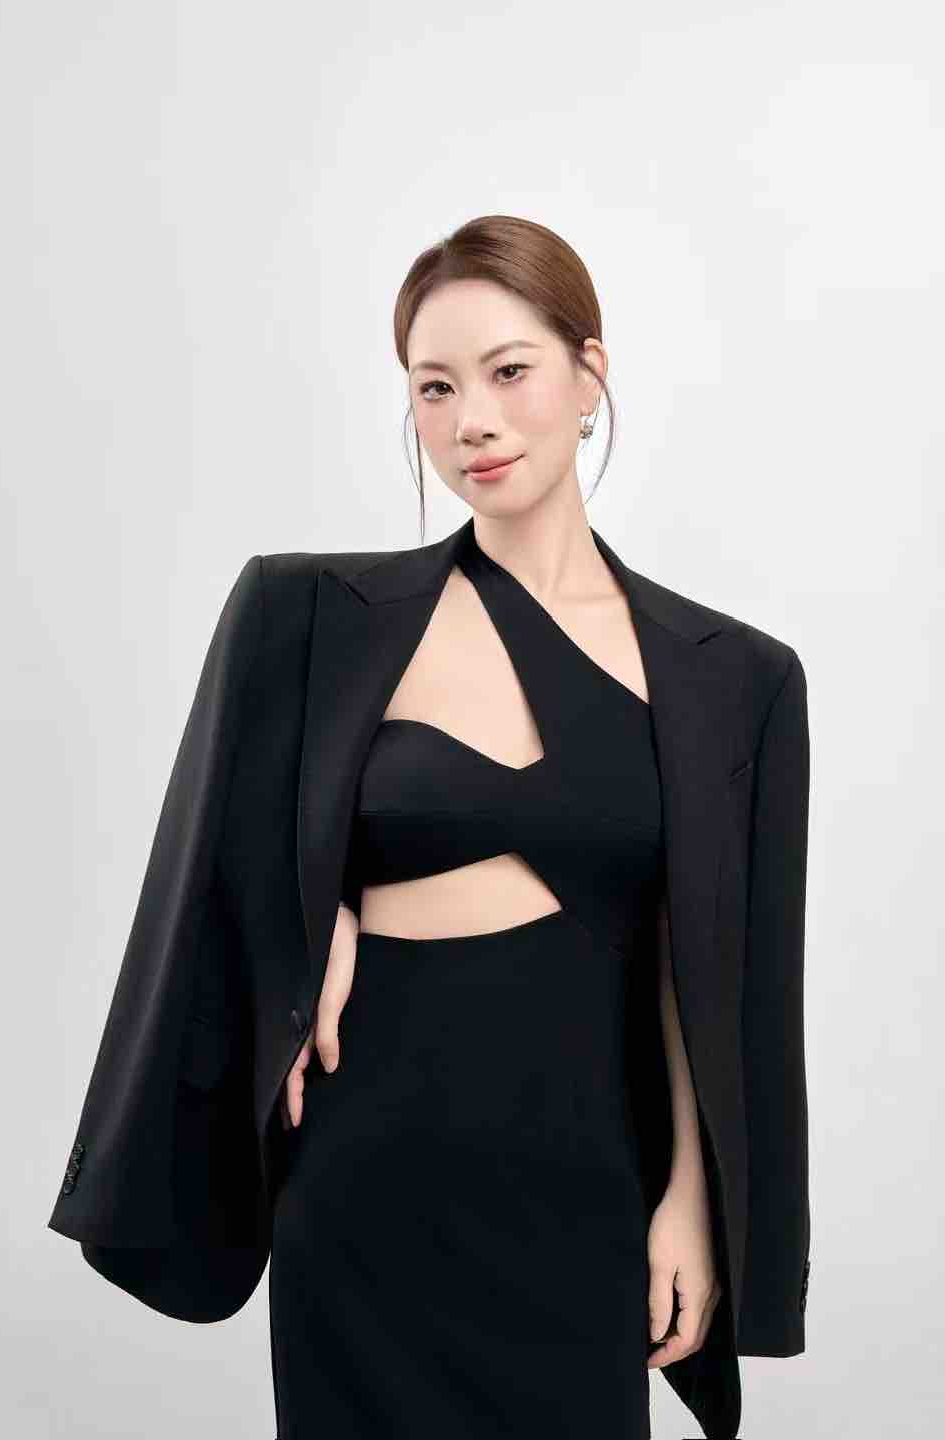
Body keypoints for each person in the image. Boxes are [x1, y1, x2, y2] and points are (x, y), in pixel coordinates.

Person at [48, 215, 811, 1440]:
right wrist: (327, 913)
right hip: (365, 1178)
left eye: (509, 372)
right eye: (435, 387)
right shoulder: (307, 614)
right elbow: (211, 878)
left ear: (590, 377)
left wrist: (691, 1203)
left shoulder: (737, 679)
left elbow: (708, 973)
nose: (473, 422)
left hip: (584, 1188)